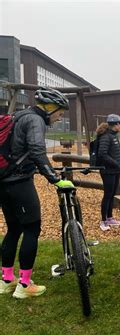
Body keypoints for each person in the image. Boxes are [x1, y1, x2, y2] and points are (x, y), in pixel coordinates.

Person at [0, 87, 71, 298]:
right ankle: (24, 285)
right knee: (32, 229)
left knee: (13, 229)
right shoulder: (35, 121)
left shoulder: (18, 115)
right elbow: (37, 151)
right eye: (59, 112)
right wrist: (56, 179)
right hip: (19, 183)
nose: (59, 117)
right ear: (49, 108)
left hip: (3, 181)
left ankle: (6, 280)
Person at [96, 114, 120, 232]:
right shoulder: (106, 137)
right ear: (115, 124)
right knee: (107, 195)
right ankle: (103, 221)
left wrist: (118, 167)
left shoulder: (114, 136)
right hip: (108, 171)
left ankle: (110, 217)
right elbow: (102, 154)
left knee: (112, 194)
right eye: (119, 124)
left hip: (115, 171)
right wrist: (116, 164)